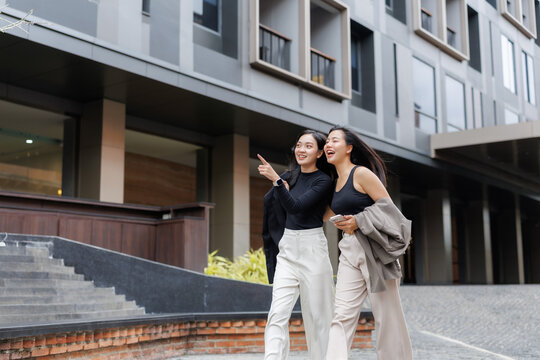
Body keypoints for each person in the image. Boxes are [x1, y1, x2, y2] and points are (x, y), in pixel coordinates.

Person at [324, 126, 413, 360]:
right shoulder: (335, 183)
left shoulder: (361, 174)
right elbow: (321, 214)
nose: (328, 145)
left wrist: (359, 221)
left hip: (375, 253)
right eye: (326, 142)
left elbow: (388, 209)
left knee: (387, 318)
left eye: (335, 140)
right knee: (341, 316)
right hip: (349, 251)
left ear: (349, 148)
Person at [259, 129, 335, 360]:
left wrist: (276, 180)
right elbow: (278, 207)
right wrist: (280, 182)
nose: (301, 150)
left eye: (308, 146)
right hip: (288, 249)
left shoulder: (323, 181)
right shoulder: (289, 177)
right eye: (299, 145)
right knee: (277, 313)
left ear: (320, 153)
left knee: (318, 318)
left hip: (313, 248)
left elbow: (296, 206)